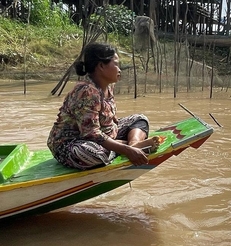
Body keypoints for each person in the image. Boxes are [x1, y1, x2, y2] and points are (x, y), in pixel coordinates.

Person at [47, 42, 159, 170]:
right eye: (116, 64)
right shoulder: (86, 91)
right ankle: (124, 147)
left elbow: (110, 117)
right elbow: (91, 134)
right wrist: (126, 151)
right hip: (71, 143)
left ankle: (133, 144)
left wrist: (124, 140)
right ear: (101, 66)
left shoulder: (108, 85)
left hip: (104, 134)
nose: (119, 69)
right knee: (93, 154)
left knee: (140, 119)